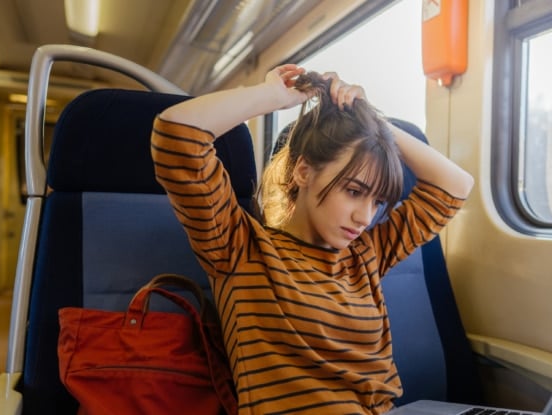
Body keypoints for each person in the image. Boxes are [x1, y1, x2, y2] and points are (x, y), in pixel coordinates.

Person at [151, 64, 474, 415]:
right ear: (304, 171)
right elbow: (177, 135)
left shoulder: (366, 254)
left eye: (378, 201)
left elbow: (456, 186)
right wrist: (274, 96)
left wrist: (375, 124)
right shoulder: (239, 248)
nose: (365, 218)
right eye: (353, 191)